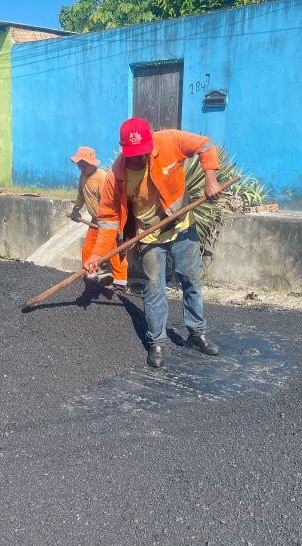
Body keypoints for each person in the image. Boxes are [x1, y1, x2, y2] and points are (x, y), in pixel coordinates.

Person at [84, 118, 223, 368]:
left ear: (151, 141)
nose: (139, 159)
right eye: (133, 154)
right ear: (122, 147)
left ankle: (196, 334)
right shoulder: (116, 176)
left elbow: (206, 145)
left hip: (181, 226)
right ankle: (157, 341)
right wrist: (97, 255)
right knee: (154, 288)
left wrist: (210, 179)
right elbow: (107, 220)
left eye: (144, 152)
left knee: (190, 280)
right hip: (148, 235)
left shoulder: (169, 141)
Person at [66, 146, 128, 291]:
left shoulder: (102, 178)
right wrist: (76, 209)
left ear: (91, 163)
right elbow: (81, 194)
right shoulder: (83, 176)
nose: (80, 167)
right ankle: (90, 273)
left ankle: (120, 280)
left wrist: (108, 223)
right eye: (79, 164)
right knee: (88, 247)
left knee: (113, 250)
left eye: (83, 164)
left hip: (108, 221)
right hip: (95, 219)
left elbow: (110, 202)